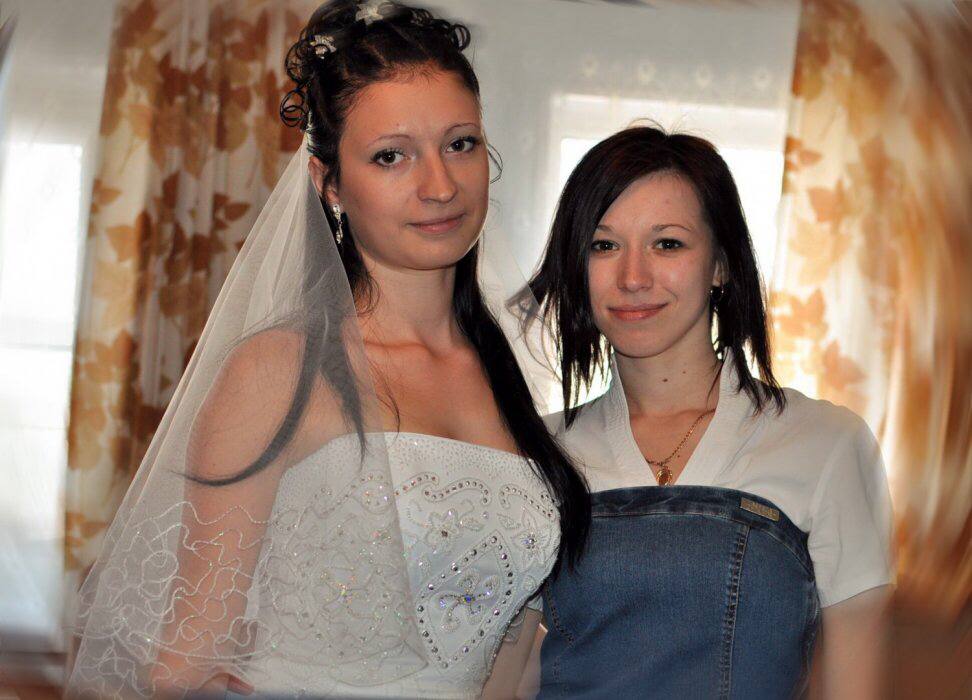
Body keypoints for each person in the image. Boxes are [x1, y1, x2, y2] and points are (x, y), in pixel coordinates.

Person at [66, 2, 588, 698]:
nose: (439, 185)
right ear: (329, 183)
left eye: (460, 144)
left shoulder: (506, 377)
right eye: (391, 156)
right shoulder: (279, 371)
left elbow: (509, 653)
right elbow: (182, 666)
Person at [528, 126, 893, 698]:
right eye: (604, 246)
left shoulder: (827, 444)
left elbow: (856, 684)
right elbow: (503, 670)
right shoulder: (536, 455)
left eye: (667, 244)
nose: (632, 277)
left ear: (720, 264)